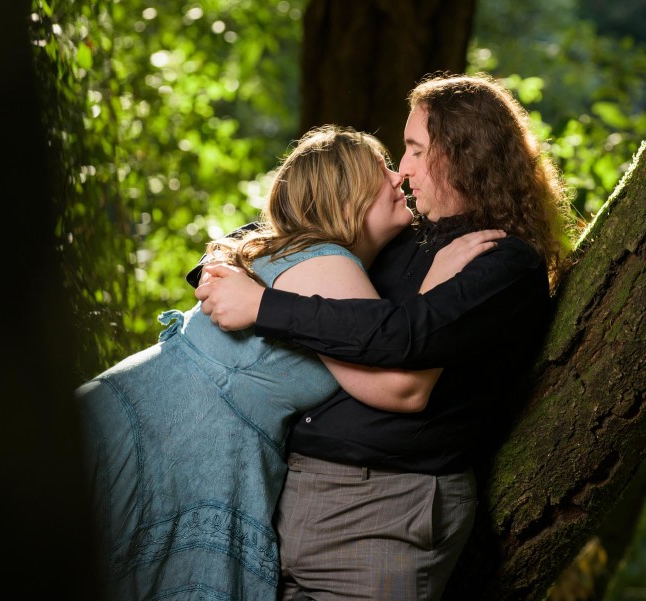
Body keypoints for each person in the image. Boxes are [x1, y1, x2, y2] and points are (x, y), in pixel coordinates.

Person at [75, 124, 500, 601]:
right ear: (346, 196)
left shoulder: (307, 254)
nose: (397, 173)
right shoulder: (323, 261)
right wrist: (442, 293)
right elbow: (402, 388)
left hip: (166, 426)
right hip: (166, 436)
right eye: (380, 168)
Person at [193, 73, 576, 601]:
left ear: (465, 155)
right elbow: (296, 230)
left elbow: (401, 338)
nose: (404, 169)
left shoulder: (502, 260)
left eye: (416, 149)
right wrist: (219, 262)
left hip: (385, 512)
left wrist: (263, 305)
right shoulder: (406, 234)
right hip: (292, 498)